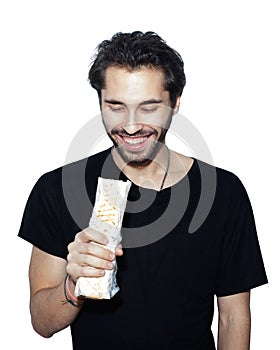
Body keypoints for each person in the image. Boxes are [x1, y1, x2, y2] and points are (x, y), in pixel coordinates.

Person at [18, 31, 268, 350]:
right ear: (100, 103)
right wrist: (73, 285)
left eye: (149, 108)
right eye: (116, 107)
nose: (132, 126)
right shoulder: (57, 190)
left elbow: (233, 316)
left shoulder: (223, 193)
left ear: (175, 102)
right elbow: (42, 323)